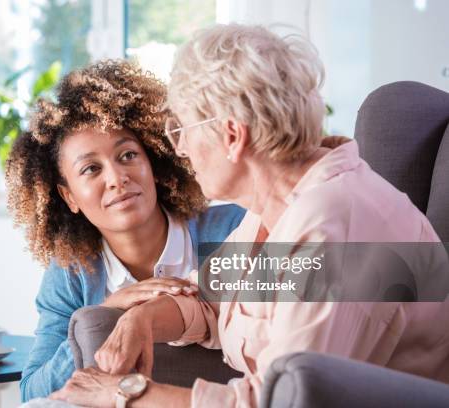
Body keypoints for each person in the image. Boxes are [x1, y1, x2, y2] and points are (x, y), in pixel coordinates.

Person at [49, 25, 449, 408]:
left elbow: (281, 400)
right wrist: (145, 318)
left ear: (232, 135)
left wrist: (126, 394)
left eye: (183, 129)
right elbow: (209, 300)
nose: (182, 147)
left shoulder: (336, 225)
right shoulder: (277, 210)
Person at [5, 60, 245, 402]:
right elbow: (33, 392)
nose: (117, 178)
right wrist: (108, 310)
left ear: (154, 163)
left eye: (128, 155)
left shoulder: (233, 228)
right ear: (69, 196)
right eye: (91, 168)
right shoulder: (72, 275)